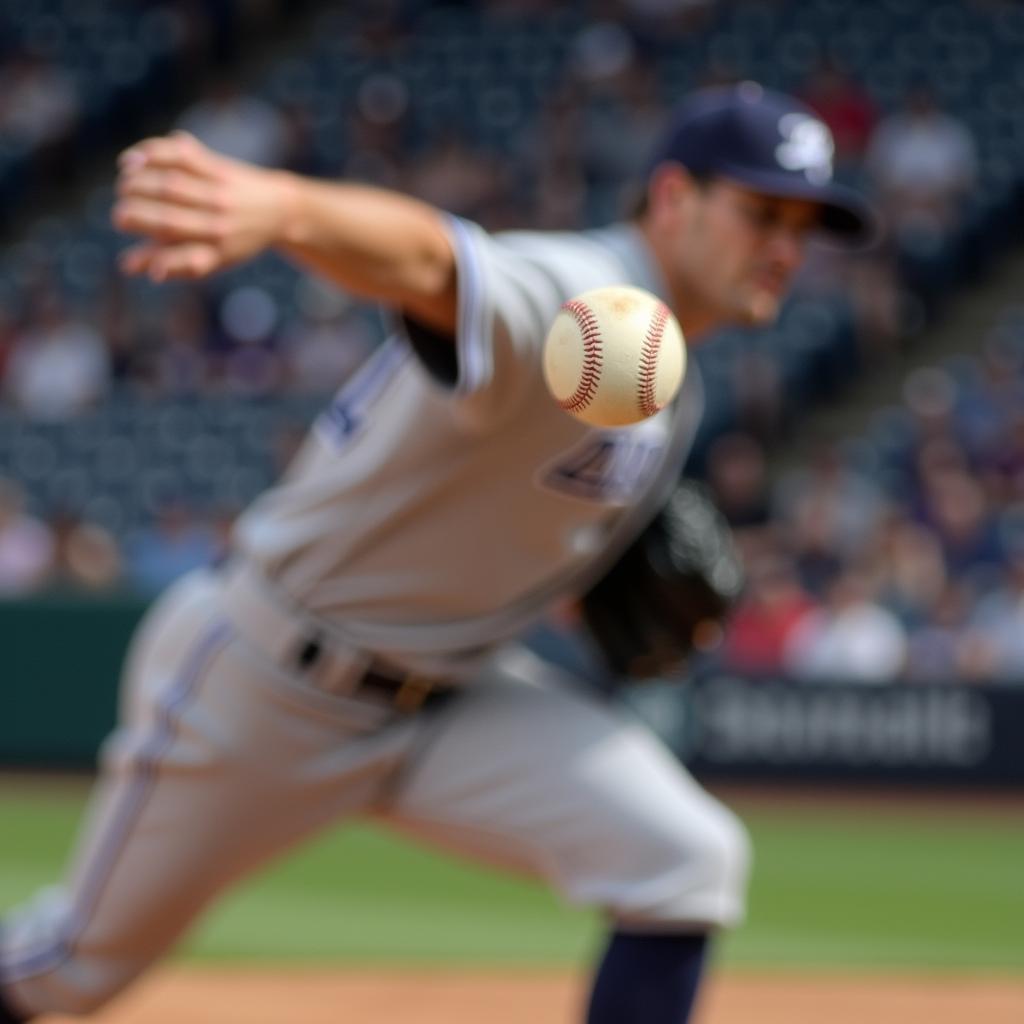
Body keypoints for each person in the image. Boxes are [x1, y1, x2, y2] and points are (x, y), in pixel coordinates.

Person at [0, 81, 873, 1023]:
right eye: (761, 213)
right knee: (66, 967)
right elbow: (436, 263)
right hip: (268, 685)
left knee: (682, 859)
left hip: (450, 699)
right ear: (672, 198)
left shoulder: (673, 381)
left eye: (804, 226)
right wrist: (286, 209)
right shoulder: (594, 302)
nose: (787, 248)